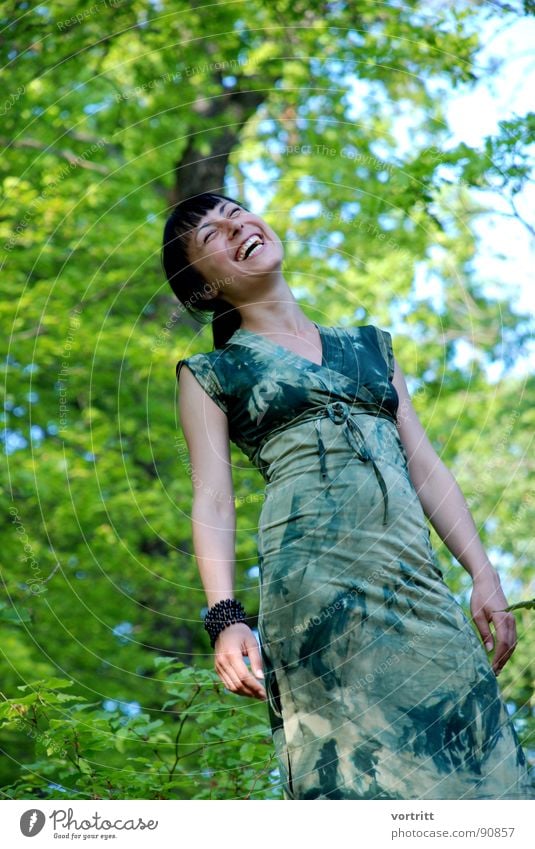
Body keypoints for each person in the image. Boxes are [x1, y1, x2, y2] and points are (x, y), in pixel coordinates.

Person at [161, 192, 533, 800]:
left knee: (487, 778)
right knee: (352, 783)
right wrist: (225, 619)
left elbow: (425, 466)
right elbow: (214, 500)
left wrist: (483, 573)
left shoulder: (371, 347)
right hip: (314, 600)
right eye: (211, 237)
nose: (234, 227)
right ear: (206, 290)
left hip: (417, 586)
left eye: (236, 213)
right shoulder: (210, 374)